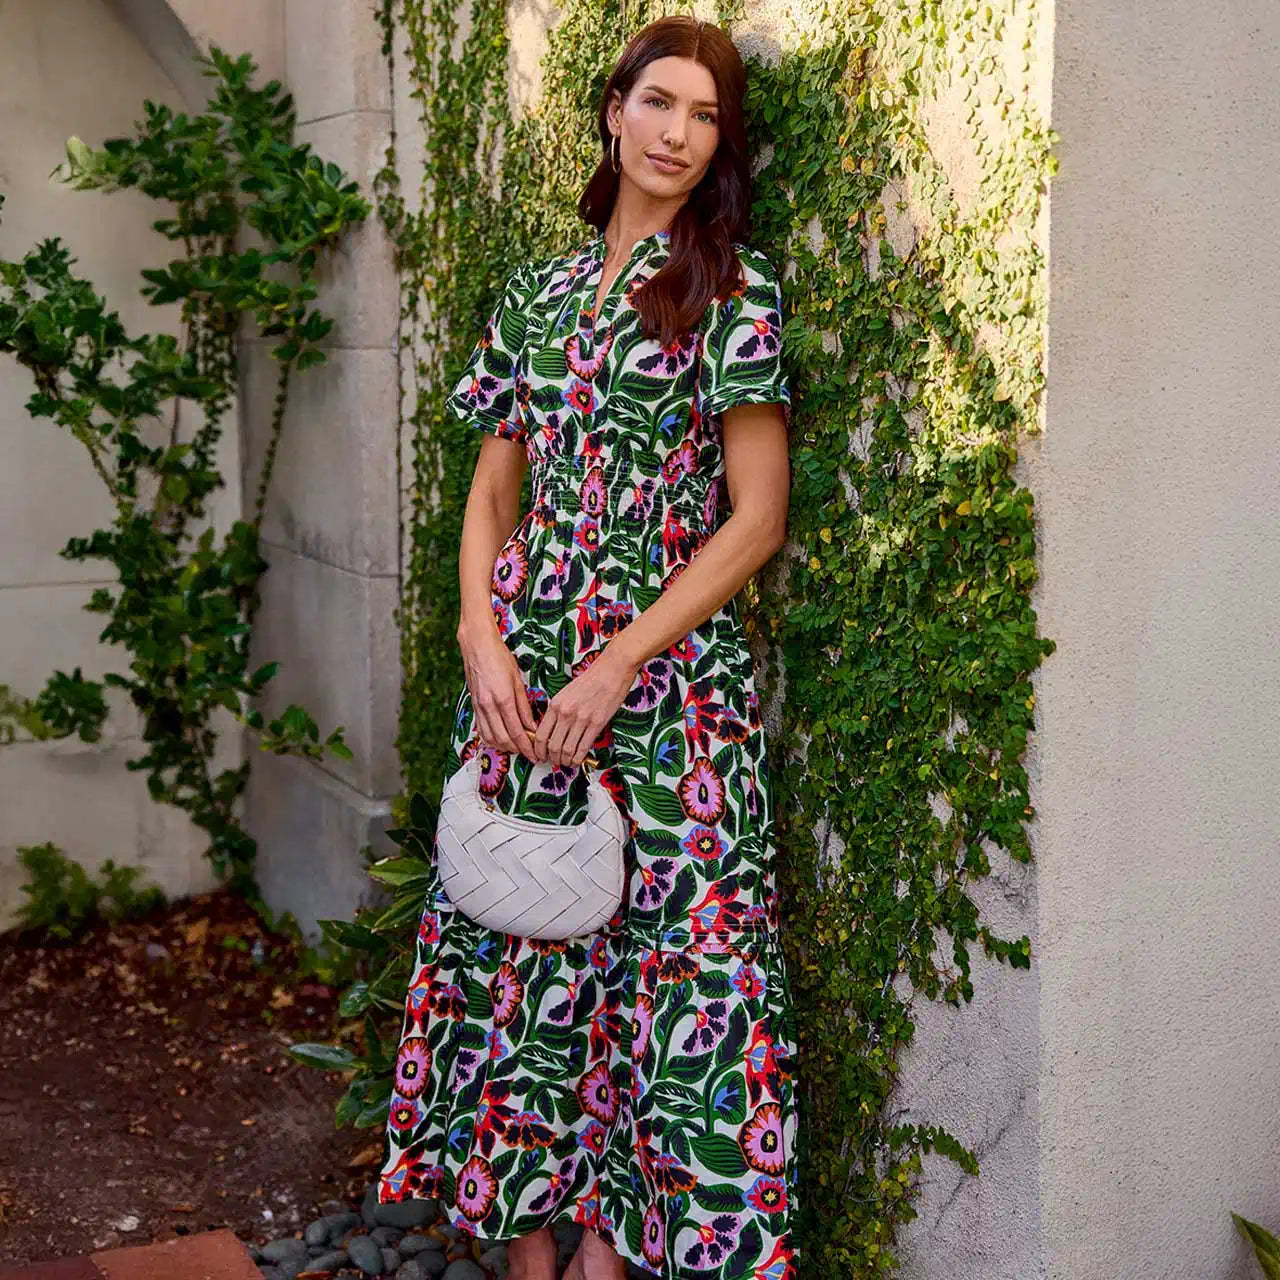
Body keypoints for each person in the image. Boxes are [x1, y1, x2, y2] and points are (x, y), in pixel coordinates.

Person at [377, 15, 801, 1280]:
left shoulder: (732, 290)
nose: (676, 133)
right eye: (658, 103)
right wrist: (477, 632)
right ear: (613, 111)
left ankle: (609, 1254)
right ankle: (527, 1255)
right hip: (520, 675)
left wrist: (617, 661)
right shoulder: (536, 290)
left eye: (705, 117)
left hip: (665, 687)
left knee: (669, 974)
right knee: (515, 953)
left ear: (719, 146)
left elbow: (756, 518)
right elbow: (490, 487)